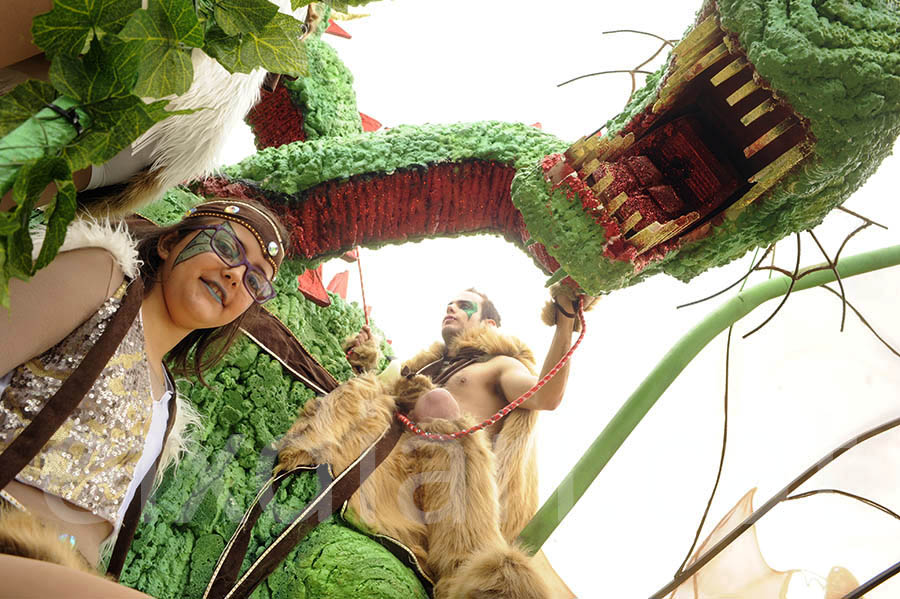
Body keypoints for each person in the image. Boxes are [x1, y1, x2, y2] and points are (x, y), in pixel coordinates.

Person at [0, 198, 288, 596]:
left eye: (256, 281)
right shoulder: (102, 277)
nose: (236, 274)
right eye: (226, 246)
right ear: (170, 242)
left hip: (71, 576)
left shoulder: (169, 406)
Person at [278, 286, 595, 598]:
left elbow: (546, 394)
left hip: (448, 502)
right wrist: (368, 361)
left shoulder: (500, 364)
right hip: (386, 470)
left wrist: (565, 319)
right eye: (450, 303)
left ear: (489, 325)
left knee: (439, 403)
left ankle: (466, 568)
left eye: (464, 305)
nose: (451, 308)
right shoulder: (422, 369)